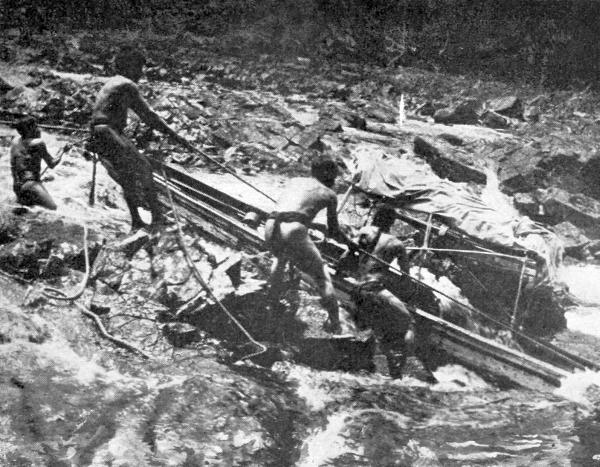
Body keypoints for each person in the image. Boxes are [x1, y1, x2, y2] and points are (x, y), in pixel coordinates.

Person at [89, 45, 188, 231]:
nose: (141, 73)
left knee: (127, 176)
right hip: (109, 131)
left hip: (100, 132)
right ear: (130, 66)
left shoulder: (112, 82)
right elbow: (147, 115)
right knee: (145, 168)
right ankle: (158, 218)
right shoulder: (127, 84)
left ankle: (137, 221)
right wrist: (175, 136)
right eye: (139, 68)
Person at [264, 154, 355, 334]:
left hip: (271, 225)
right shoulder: (329, 194)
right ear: (327, 173)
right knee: (322, 278)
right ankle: (336, 325)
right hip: (293, 229)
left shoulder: (295, 181)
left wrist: (311, 224)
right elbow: (334, 232)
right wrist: (351, 244)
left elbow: (293, 210)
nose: (335, 179)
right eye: (334, 174)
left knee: (280, 260)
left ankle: (271, 305)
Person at [350, 204, 427, 379]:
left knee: (380, 326)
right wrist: (409, 295)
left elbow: (348, 255)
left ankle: (379, 363)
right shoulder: (396, 243)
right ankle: (399, 370)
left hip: (356, 287)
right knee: (409, 322)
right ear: (392, 222)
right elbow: (405, 276)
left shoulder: (364, 232)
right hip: (374, 289)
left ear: (376, 218)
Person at [10, 116, 64, 210]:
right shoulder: (38, 143)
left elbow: (14, 165)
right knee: (53, 209)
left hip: (17, 185)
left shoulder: (15, 141)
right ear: (30, 128)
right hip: (31, 185)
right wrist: (63, 150)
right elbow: (52, 164)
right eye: (36, 126)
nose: (39, 129)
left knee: (29, 210)